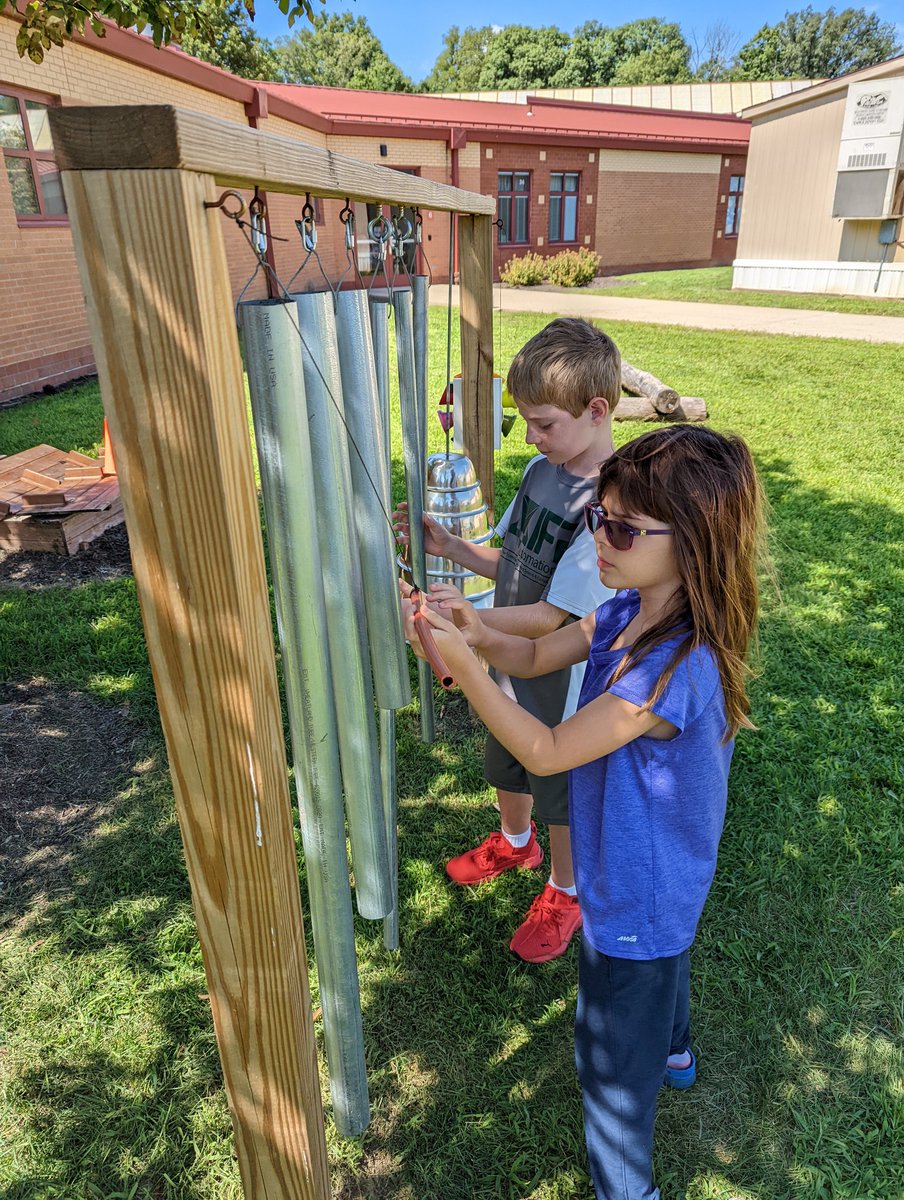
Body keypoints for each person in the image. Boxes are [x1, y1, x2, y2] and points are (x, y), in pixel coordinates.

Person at [401, 424, 764, 1199]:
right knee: (666, 960)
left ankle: (625, 1187)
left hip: (638, 885)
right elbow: (534, 655)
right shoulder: (628, 606)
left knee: (609, 1074)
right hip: (658, 879)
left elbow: (547, 751)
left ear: (693, 541)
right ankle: (675, 1053)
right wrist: (475, 629)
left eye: (625, 528)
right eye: (601, 517)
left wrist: (466, 672)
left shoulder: (669, 670)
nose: (601, 535)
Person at [394, 318, 619, 963]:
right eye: (526, 422)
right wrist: (454, 548)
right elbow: (513, 561)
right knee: (507, 758)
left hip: (563, 674)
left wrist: (473, 626)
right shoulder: (542, 473)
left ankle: (565, 888)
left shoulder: (608, 501)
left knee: (560, 786)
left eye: (544, 423)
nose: (532, 435)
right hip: (505, 653)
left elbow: (553, 617)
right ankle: (515, 843)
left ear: (596, 410)